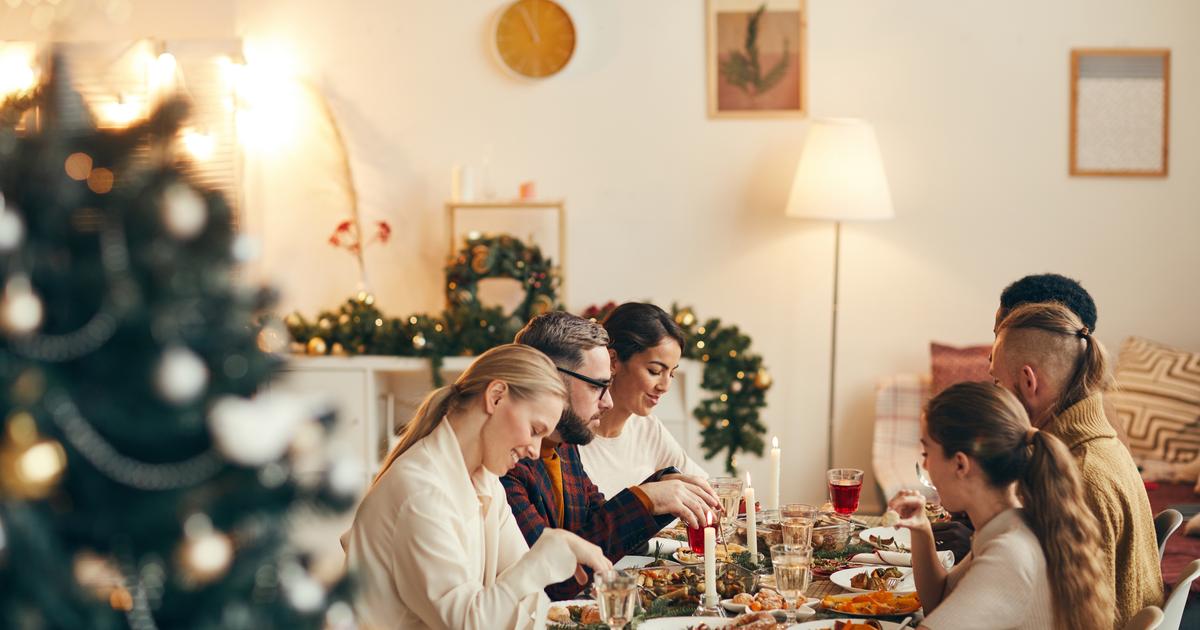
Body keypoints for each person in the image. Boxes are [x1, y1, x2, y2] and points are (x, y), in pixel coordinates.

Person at [342, 344, 612, 630]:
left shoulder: (485, 483)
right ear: (496, 397)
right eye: (534, 430)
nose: (535, 451)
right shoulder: (421, 493)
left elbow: (524, 597)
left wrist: (546, 555)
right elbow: (469, 623)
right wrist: (543, 557)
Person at [502, 311, 720, 599]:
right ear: (549, 380)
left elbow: (597, 521)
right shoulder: (507, 462)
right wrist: (648, 498)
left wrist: (665, 485)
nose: (607, 401)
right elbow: (555, 580)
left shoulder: (563, 447)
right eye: (597, 387)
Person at [991, 302, 1163, 627]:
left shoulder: (1079, 476)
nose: (995, 395)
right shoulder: (1102, 443)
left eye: (997, 383)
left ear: (1029, 381)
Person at [889, 381, 1112, 629]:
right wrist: (921, 529)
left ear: (960, 464)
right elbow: (940, 602)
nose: (927, 466)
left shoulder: (1008, 553)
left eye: (926, 453)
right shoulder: (1011, 525)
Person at [935, 272, 1122, 559]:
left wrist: (979, 543)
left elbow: (1064, 593)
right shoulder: (1074, 437)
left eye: (1002, 332)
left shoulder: (1081, 474)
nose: (993, 355)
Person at [579, 302, 708, 499]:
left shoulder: (648, 429)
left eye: (671, 374)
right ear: (613, 361)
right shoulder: (571, 438)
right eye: (655, 371)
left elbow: (704, 487)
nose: (665, 386)